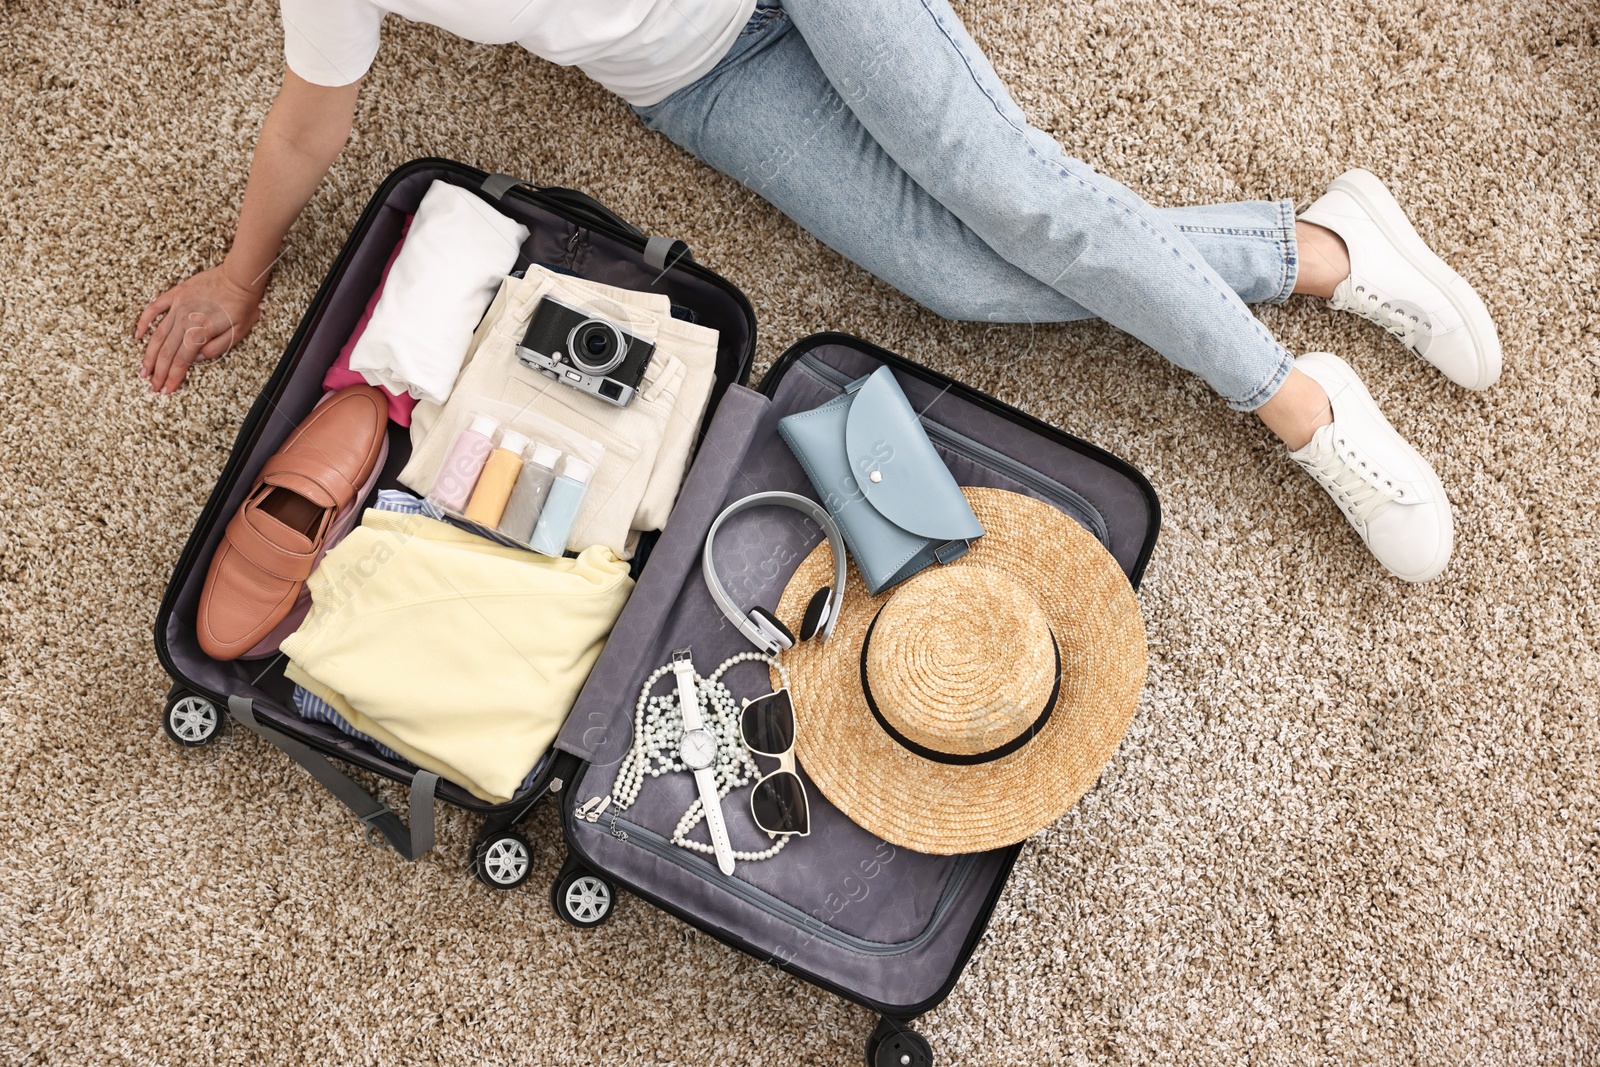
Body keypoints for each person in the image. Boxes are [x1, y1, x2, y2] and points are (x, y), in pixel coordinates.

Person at [136, 0, 1501, 583]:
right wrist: (244, 269)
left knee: (1006, 187)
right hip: (696, 79)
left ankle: (1302, 407)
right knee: (958, 278)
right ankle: (1316, 253)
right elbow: (311, 118)